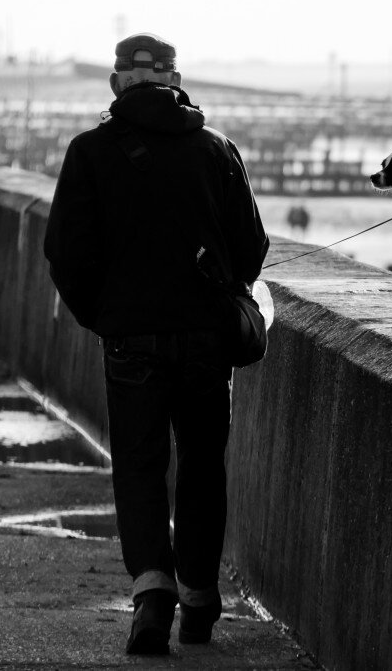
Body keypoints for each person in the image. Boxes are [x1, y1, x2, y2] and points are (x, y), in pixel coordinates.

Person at [43, 33, 269, 655]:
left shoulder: (89, 152)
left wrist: (106, 315)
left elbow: (65, 252)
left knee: (140, 466)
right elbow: (252, 250)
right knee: (201, 464)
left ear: (118, 84)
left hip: (131, 340)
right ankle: (198, 598)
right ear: (175, 80)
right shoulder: (217, 150)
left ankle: (152, 595)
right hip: (205, 339)